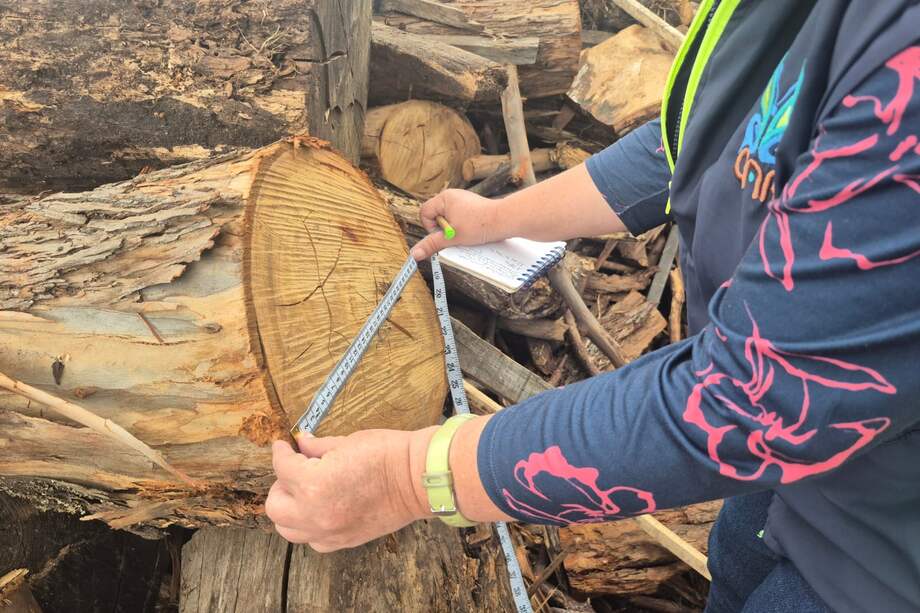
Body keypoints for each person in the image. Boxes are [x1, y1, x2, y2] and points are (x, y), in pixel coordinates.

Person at [265, 1, 920, 611]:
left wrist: (409, 477)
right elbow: (694, 141)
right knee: (735, 566)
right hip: (793, 480)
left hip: (880, 558)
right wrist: (503, 217)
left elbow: (756, 397)